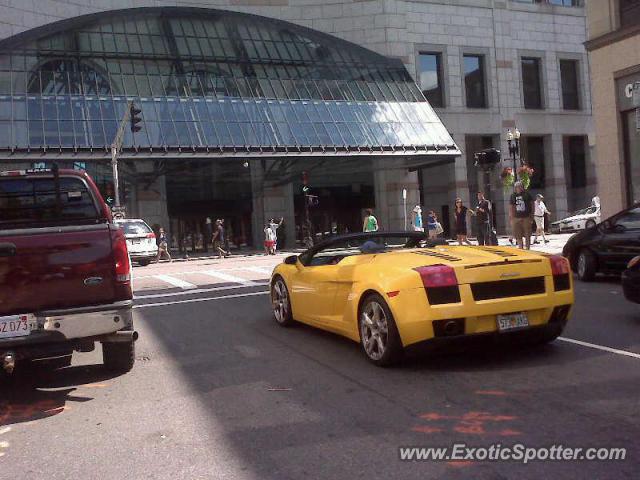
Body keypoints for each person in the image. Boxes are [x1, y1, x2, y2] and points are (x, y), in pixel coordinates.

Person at [510, 181, 534, 250]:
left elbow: (532, 205)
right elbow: (511, 207)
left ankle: (528, 249)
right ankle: (521, 249)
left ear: (522, 187)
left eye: (520, 186)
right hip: (516, 218)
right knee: (518, 235)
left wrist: (531, 217)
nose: (518, 188)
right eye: (517, 187)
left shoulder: (527, 194)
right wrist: (512, 218)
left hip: (526, 217)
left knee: (527, 235)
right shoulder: (513, 196)